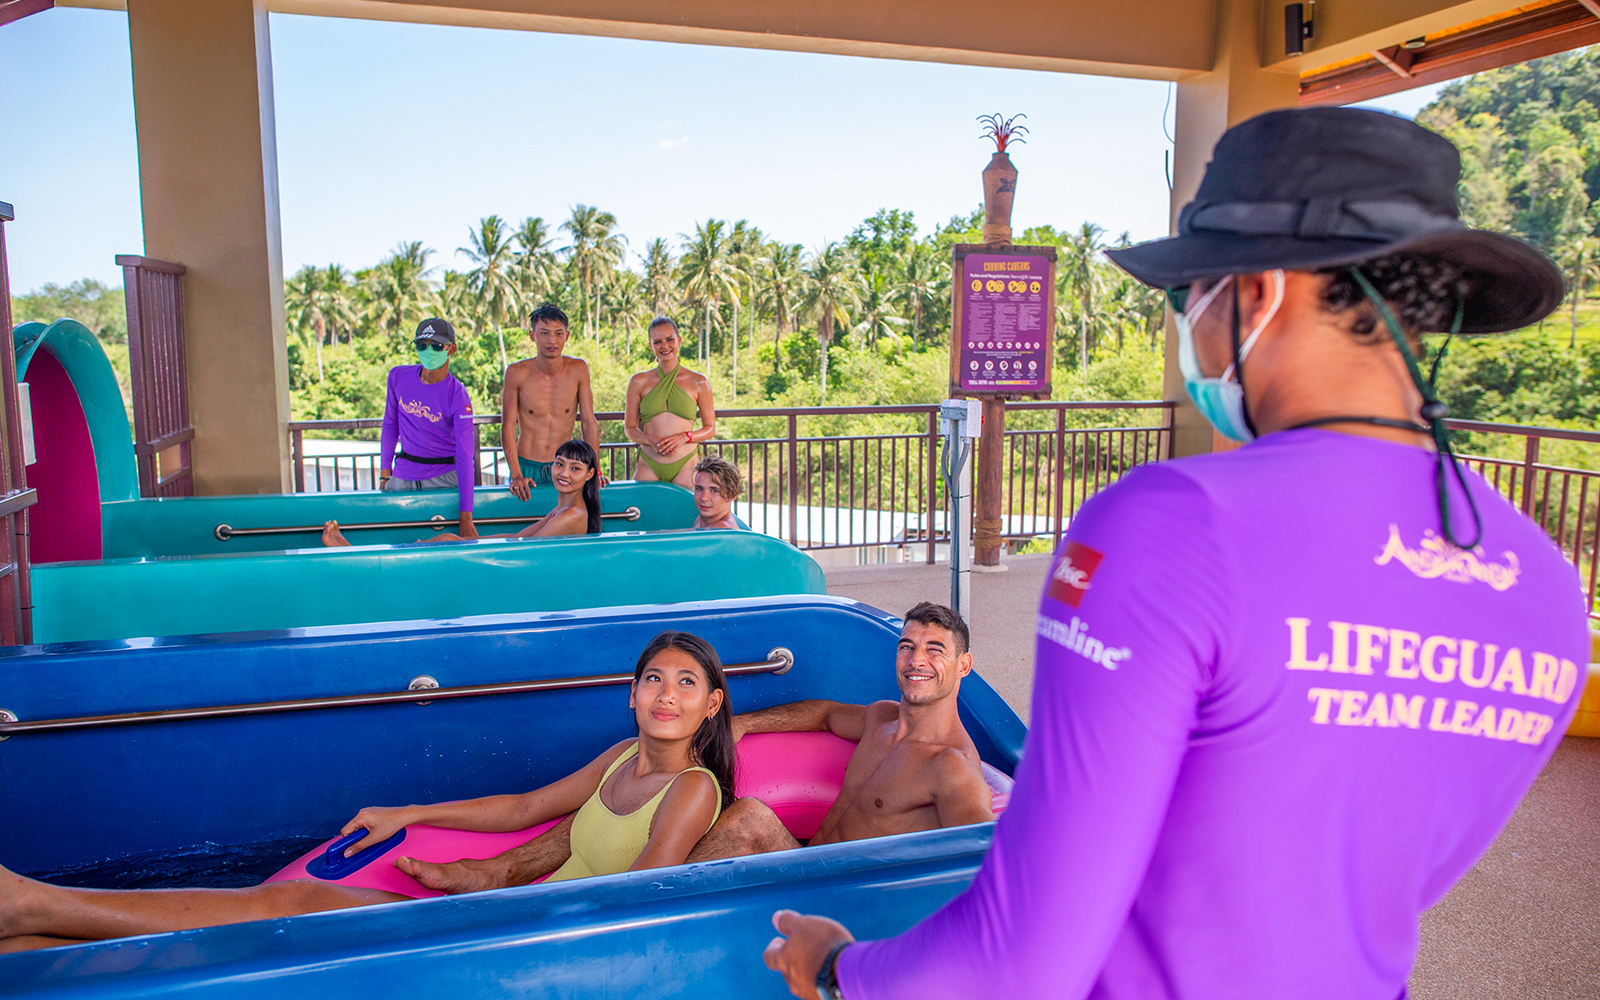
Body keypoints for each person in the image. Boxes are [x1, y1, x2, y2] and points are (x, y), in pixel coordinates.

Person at [763, 108, 1591, 1000]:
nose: (1187, 323)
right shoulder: (1546, 581)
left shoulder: (1172, 523)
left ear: (1258, 289)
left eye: (1185, 293)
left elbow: (1018, 963)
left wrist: (841, 968)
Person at [0, 631, 735, 952]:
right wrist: (408, 812)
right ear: (630, 695)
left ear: (710, 706)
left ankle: (34, 903)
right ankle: (32, 932)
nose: (665, 694)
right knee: (287, 902)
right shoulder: (618, 759)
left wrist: (497, 909)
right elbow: (520, 810)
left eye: (686, 683)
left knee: (286, 917)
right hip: (497, 914)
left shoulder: (691, 791)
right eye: (652, 679)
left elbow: (643, 892)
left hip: (522, 933)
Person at [393, 602, 994, 895]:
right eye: (907, 647)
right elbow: (821, 712)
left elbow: (978, 868)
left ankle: (650, 911)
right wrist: (743, 724)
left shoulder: (951, 769)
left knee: (752, 815)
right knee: (742, 818)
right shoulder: (882, 720)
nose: (916, 661)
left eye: (935, 651)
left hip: (850, 889)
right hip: (810, 853)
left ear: (963, 665)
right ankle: (536, 876)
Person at [322, 439, 601, 546]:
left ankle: (355, 552)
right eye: (560, 464)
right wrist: (469, 542)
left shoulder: (573, 514)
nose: (563, 473)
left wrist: (469, 547)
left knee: (444, 542)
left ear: (590, 475)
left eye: (575, 469)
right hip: (523, 566)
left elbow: (525, 549)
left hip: (527, 576)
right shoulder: (561, 509)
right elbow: (519, 535)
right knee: (446, 538)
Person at [363, 318, 478, 542]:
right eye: (421, 345)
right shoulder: (398, 377)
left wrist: (466, 516)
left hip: (444, 477)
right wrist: (385, 473)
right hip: (403, 474)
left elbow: (465, 455)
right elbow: (390, 425)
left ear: (451, 349)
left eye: (436, 346)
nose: (428, 351)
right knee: (391, 543)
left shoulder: (457, 395)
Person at [500, 303, 606, 500]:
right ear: (533, 335)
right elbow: (507, 425)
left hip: (566, 466)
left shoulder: (578, 369)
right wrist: (515, 474)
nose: (552, 340)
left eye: (558, 333)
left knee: (568, 526)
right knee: (527, 526)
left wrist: (595, 471)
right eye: (544, 333)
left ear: (566, 336)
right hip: (526, 467)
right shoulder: (517, 373)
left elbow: (589, 422)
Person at [624, 317, 716, 489]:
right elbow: (629, 429)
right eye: (657, 342)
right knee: (643, 514)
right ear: (651, 346)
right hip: (649, 465)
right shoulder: (638, 381)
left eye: (669, 340)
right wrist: (648, 439)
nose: (664, 346)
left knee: (686, 515)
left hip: (686, 465)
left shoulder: (699, 382)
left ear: (679, 340)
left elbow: (710, 428)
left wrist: (685, 437)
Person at [691, 455, 744, 530]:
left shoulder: (722, 529)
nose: (704, 498)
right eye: (699, 489)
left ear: (732, 494)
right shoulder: (702, 519)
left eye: (714, 491)